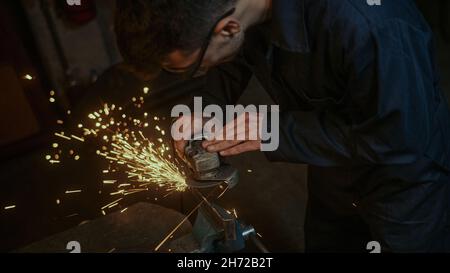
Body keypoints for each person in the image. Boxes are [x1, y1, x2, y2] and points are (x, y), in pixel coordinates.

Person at [115, 0, 450, 252]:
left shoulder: (371, 26)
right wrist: (206, 107)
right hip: (331, 167)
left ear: (228, 28)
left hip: (403, 184)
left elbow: (399, 136)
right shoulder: (244, 11)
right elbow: (235, 56)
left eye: (195, 68)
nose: (199, 75)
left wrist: (275, 129)